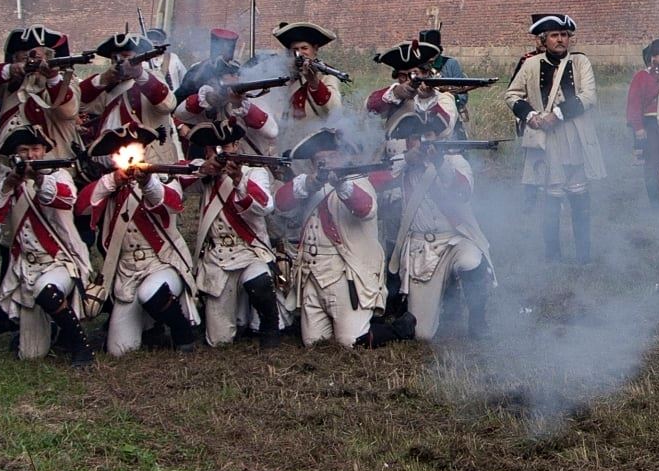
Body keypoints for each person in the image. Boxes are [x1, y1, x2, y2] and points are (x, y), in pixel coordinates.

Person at [78, 125, 199, 354]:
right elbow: (82, 207)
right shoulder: (111, 184)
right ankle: (153, 327)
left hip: (161, 262)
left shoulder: (162, 176)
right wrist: (113, 180)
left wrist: (148, 183)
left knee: (150, 293)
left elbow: (171, 202)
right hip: (127, 270)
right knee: (119, 350)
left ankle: (183, 333)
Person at [0, 126, 94, 366]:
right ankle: (55, 330)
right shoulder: (10, 179)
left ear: (45, 150)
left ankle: (81, 346)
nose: (31, 155)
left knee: (48, 291)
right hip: (27, 267)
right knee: (30, 354)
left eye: (35, 149)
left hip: (60, 261)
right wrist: (7, 186)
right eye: (24, 150)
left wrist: (40, 178)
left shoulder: (59, 175)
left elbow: (64, 200)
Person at [504, 14, 603, 263]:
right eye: (555, 35)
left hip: (576, 136)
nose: (561, 40)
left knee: (580, 198)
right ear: (543, 39)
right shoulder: (531, 65)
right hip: (547, 139)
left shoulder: (581, 63)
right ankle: (553, 256)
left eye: (564, 35)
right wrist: (531, 116)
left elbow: (589, 96)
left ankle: (584, 255)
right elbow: (512, 94)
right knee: (551, 198)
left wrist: (557, 114)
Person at [277, 129, 387, 348]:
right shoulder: (308, 184)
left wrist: (340, 183)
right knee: (313, 342)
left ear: (343, 156)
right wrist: (312, 183)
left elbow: (365, 208)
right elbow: (281, 203)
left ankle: (396, 329)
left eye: (330, 157)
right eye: (319, 159)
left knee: (350, 342)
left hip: (344, 273)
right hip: (311, 273)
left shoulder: (358, 182)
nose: (324, 163)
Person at [389, 111, 493, 340]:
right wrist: (407, 160)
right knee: (422, 334)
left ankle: (478, 319)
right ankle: (445, 301)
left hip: (453, 241)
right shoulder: (402, 163)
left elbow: (462, 192)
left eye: (428, 135)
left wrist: (439, 163)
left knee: (471, 260)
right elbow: (377, 181)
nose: (423, 142)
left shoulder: (455, 161)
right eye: (416, 137)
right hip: (420, 248)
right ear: (408, 141)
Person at [186, 123, 282, 348]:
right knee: (219, 340)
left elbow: (265, 206)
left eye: (225, 146)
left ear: (236, 145)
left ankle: (270, 325)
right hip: (218, 257)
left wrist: (239, 180)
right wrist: (203, 170)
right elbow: (175, 184)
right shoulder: (204, 173)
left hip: (250, 250)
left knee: (259, 283)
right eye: (214, 148)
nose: (220, 152)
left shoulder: (253, 172)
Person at [0, 26, 81, 161]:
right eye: (24, 59)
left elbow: (68, 111)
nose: (31, 62)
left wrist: (52, 78)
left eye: (37, 58)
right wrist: (10, 70)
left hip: (53, 166)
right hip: (10, 165)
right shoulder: (12, 83)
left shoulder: (65, 82)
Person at [80, 33, 177, 158]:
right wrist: (103, 79)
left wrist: (139, 74)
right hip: (110, 164)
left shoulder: (151, 78)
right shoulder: (108, 84)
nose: (119, 61)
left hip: (148, 160)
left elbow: (168, 105)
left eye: (126, 56)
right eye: (115, 58)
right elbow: (78, 102)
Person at [625, 38, 659, 203]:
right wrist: (638, 127)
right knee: (652, 164)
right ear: (653, 58)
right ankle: (655, 203)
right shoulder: (642, 77)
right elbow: (634, 103)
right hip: (651, 125)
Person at [273, 20, 343, 125]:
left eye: (304, 48)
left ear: (315, 49)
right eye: (295, 49)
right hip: (290, 138)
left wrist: (315, 83)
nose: (300, 53)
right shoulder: (285, 76)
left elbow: (336, 109)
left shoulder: (326, 75)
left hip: (317, 137)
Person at [141, 27, 189, 93]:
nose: (154, 43)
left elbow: (185, 79)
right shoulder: (142, 60)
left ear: (163, 42)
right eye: (151, 40)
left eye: (157, 40)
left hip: (173, 99)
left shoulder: (173, 57)